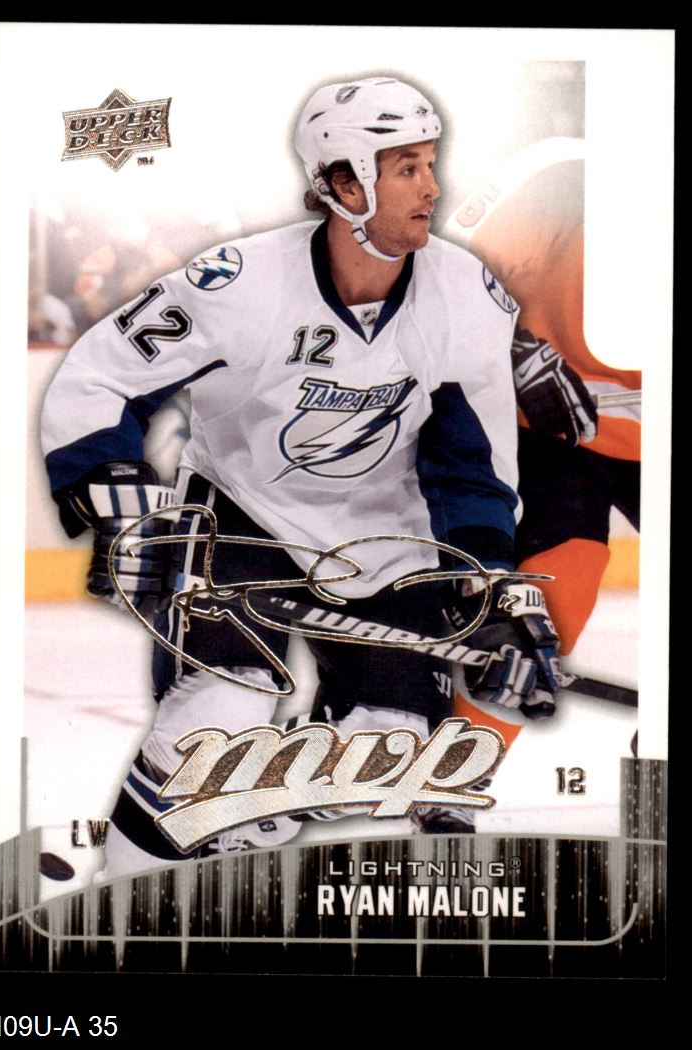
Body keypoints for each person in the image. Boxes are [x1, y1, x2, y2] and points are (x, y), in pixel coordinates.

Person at [40, 76, 561, 875]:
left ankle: (264, 809)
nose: (432, 186)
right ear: (345, 184)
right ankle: (119, 902)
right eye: (407, 168)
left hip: (387, 538)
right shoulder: (239, 284)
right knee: (218, 716)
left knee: (385, 753)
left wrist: (488, 588)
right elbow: (100, 376)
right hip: (241, 519)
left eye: (429, 163)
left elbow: (473, 462)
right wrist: (118, 504)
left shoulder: (466, 295)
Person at [444, 137, 641, 657]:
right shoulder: (560, 172)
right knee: (549, 604)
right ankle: (483, 701)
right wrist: (510, 347)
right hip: (545, 422)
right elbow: (438, 276)